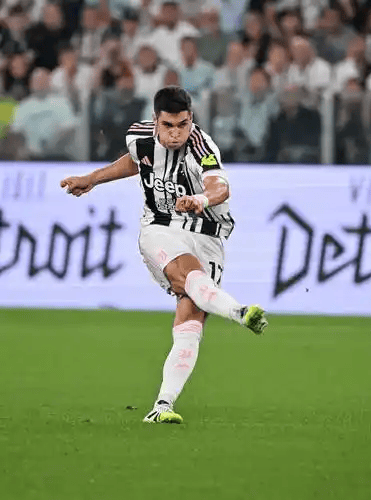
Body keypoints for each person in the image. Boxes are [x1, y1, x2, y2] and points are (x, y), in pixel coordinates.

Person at [60, 86, 268, 424]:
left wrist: (200, 199)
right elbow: (136, 161)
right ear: (155, 120)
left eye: (182, 125)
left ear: (191, 120)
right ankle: (239, 312)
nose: (175, 134)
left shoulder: (202, 146)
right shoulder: (139, 136)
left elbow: (220, 186)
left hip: (207, 234)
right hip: (160, 226)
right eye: (168, 125)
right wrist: (93, 179)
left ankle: (162, 405)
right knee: (188, 276)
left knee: (191, 316)